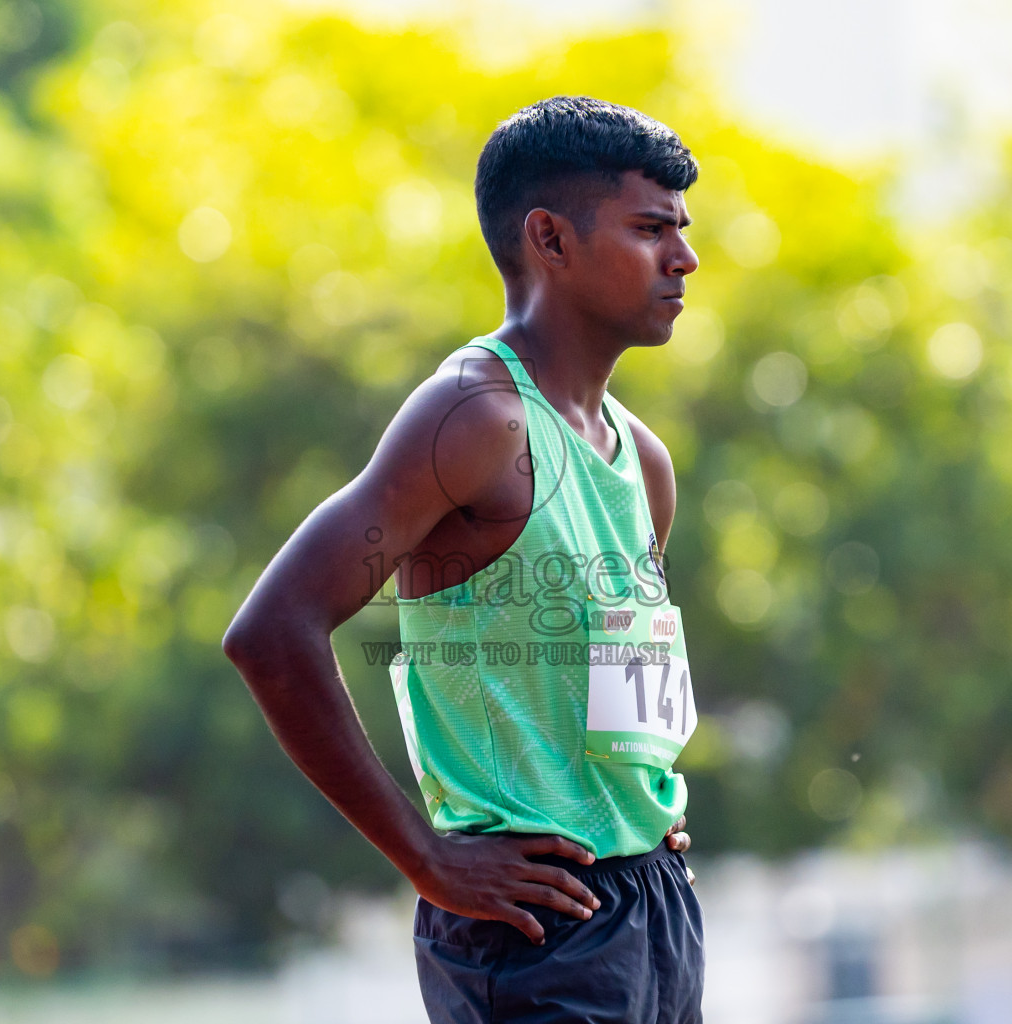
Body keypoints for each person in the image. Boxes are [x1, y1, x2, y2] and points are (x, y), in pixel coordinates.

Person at [224, 95, 704, 1022]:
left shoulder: (642, 460)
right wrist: (425, 856)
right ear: (549, 240)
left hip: (655, 903)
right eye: (650, 230)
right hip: (531, 925)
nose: (683, 259)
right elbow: (272, 633)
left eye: (682, 230)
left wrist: (640, 812)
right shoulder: (473, 418)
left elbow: (603, 672)